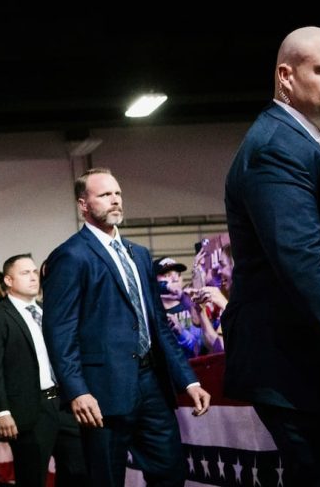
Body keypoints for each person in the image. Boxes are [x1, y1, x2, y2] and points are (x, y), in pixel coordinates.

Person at [224, 26, 320, 485]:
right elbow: (305, 267)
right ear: (286, 76)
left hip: (314, 362)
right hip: (299, 368)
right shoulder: (277, 148)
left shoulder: (310, 142)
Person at [42, 168, 210, 487]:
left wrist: (188, 381)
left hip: (152, 385)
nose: (115, 200)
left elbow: (157, 325)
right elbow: (59, 331)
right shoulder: (70, 256)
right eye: (104, 195)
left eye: (117, 193)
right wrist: (77, 390)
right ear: (83, 205)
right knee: (105, 479)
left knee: (171, 473)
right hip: (101, 391)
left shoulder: (140, 255)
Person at [0, 255, 86, 487]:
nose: (34, 276)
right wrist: (1, 411)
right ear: (8, 280)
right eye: (25, 273)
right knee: (32, 478)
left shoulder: (50, 313)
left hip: (65, 406)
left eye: (35, 271)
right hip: (29, 411)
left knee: (78, 473)